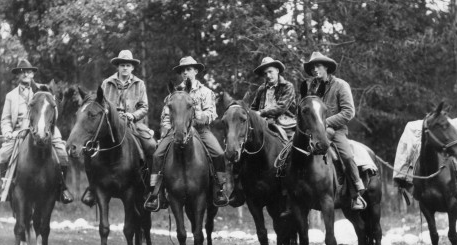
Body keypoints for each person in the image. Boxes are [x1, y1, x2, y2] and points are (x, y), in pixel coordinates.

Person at [144, 56, 228, 211]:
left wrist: (199, 117)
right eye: (182, 70)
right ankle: (157, 193)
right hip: (177, 131)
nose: (185, 72)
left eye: (189, 69)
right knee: (157, 155)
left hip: (201, 130)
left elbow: (211, 113)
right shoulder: (173, 94)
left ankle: (219, 188)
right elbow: (166, 116)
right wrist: (168, 130)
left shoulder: (206, 92)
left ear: (196, 71)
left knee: (219, 153)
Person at [81, 50, 157, 207]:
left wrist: (132, 115)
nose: (125, 68)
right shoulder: (107, 83)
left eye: (128, 65)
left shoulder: (139, 84)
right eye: (122, 65)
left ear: (132, 68)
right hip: (111, 125)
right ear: (118, 66)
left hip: (133, 123)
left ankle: (151, 189)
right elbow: (100, 104)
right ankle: (92, 187)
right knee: (89, 147)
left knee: (151, 146)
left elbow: (144, 107)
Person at [0, 59, 73, 204]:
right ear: (18, 75)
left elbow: (53, 112)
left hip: (44, 127)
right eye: (22, 72)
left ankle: (62, 187)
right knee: (4, 153)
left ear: (32, 73)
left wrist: (48, 125)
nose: (26, 74)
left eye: (28, 71)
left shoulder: (43, 90)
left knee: (62, 152)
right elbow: (5, 119)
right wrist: (7, 132)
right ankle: (5, 185)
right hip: (19, 131)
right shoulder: (10, 96)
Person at [227, 56, 297, 207]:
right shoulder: (261, 90)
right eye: (265, 73)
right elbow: (252, 109)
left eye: (270, 72)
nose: (268, 76)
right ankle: (238, 189)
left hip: (285, 123)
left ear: (277, 70)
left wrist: (261, 113)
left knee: (292, 150)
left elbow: (282, 106)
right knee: (243, 147)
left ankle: (292, 190)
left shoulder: (288, 86)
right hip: (263, 125)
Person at [304, 52, 366, 210]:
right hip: (314, 132)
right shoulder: (312, 88)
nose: (315, 70)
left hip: (336, 131)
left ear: (326, 67)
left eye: (318, 66)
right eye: (312, 67)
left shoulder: (340, 85)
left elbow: (348, 112)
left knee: (346, 155)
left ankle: (356, 192)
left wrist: (324, 123)